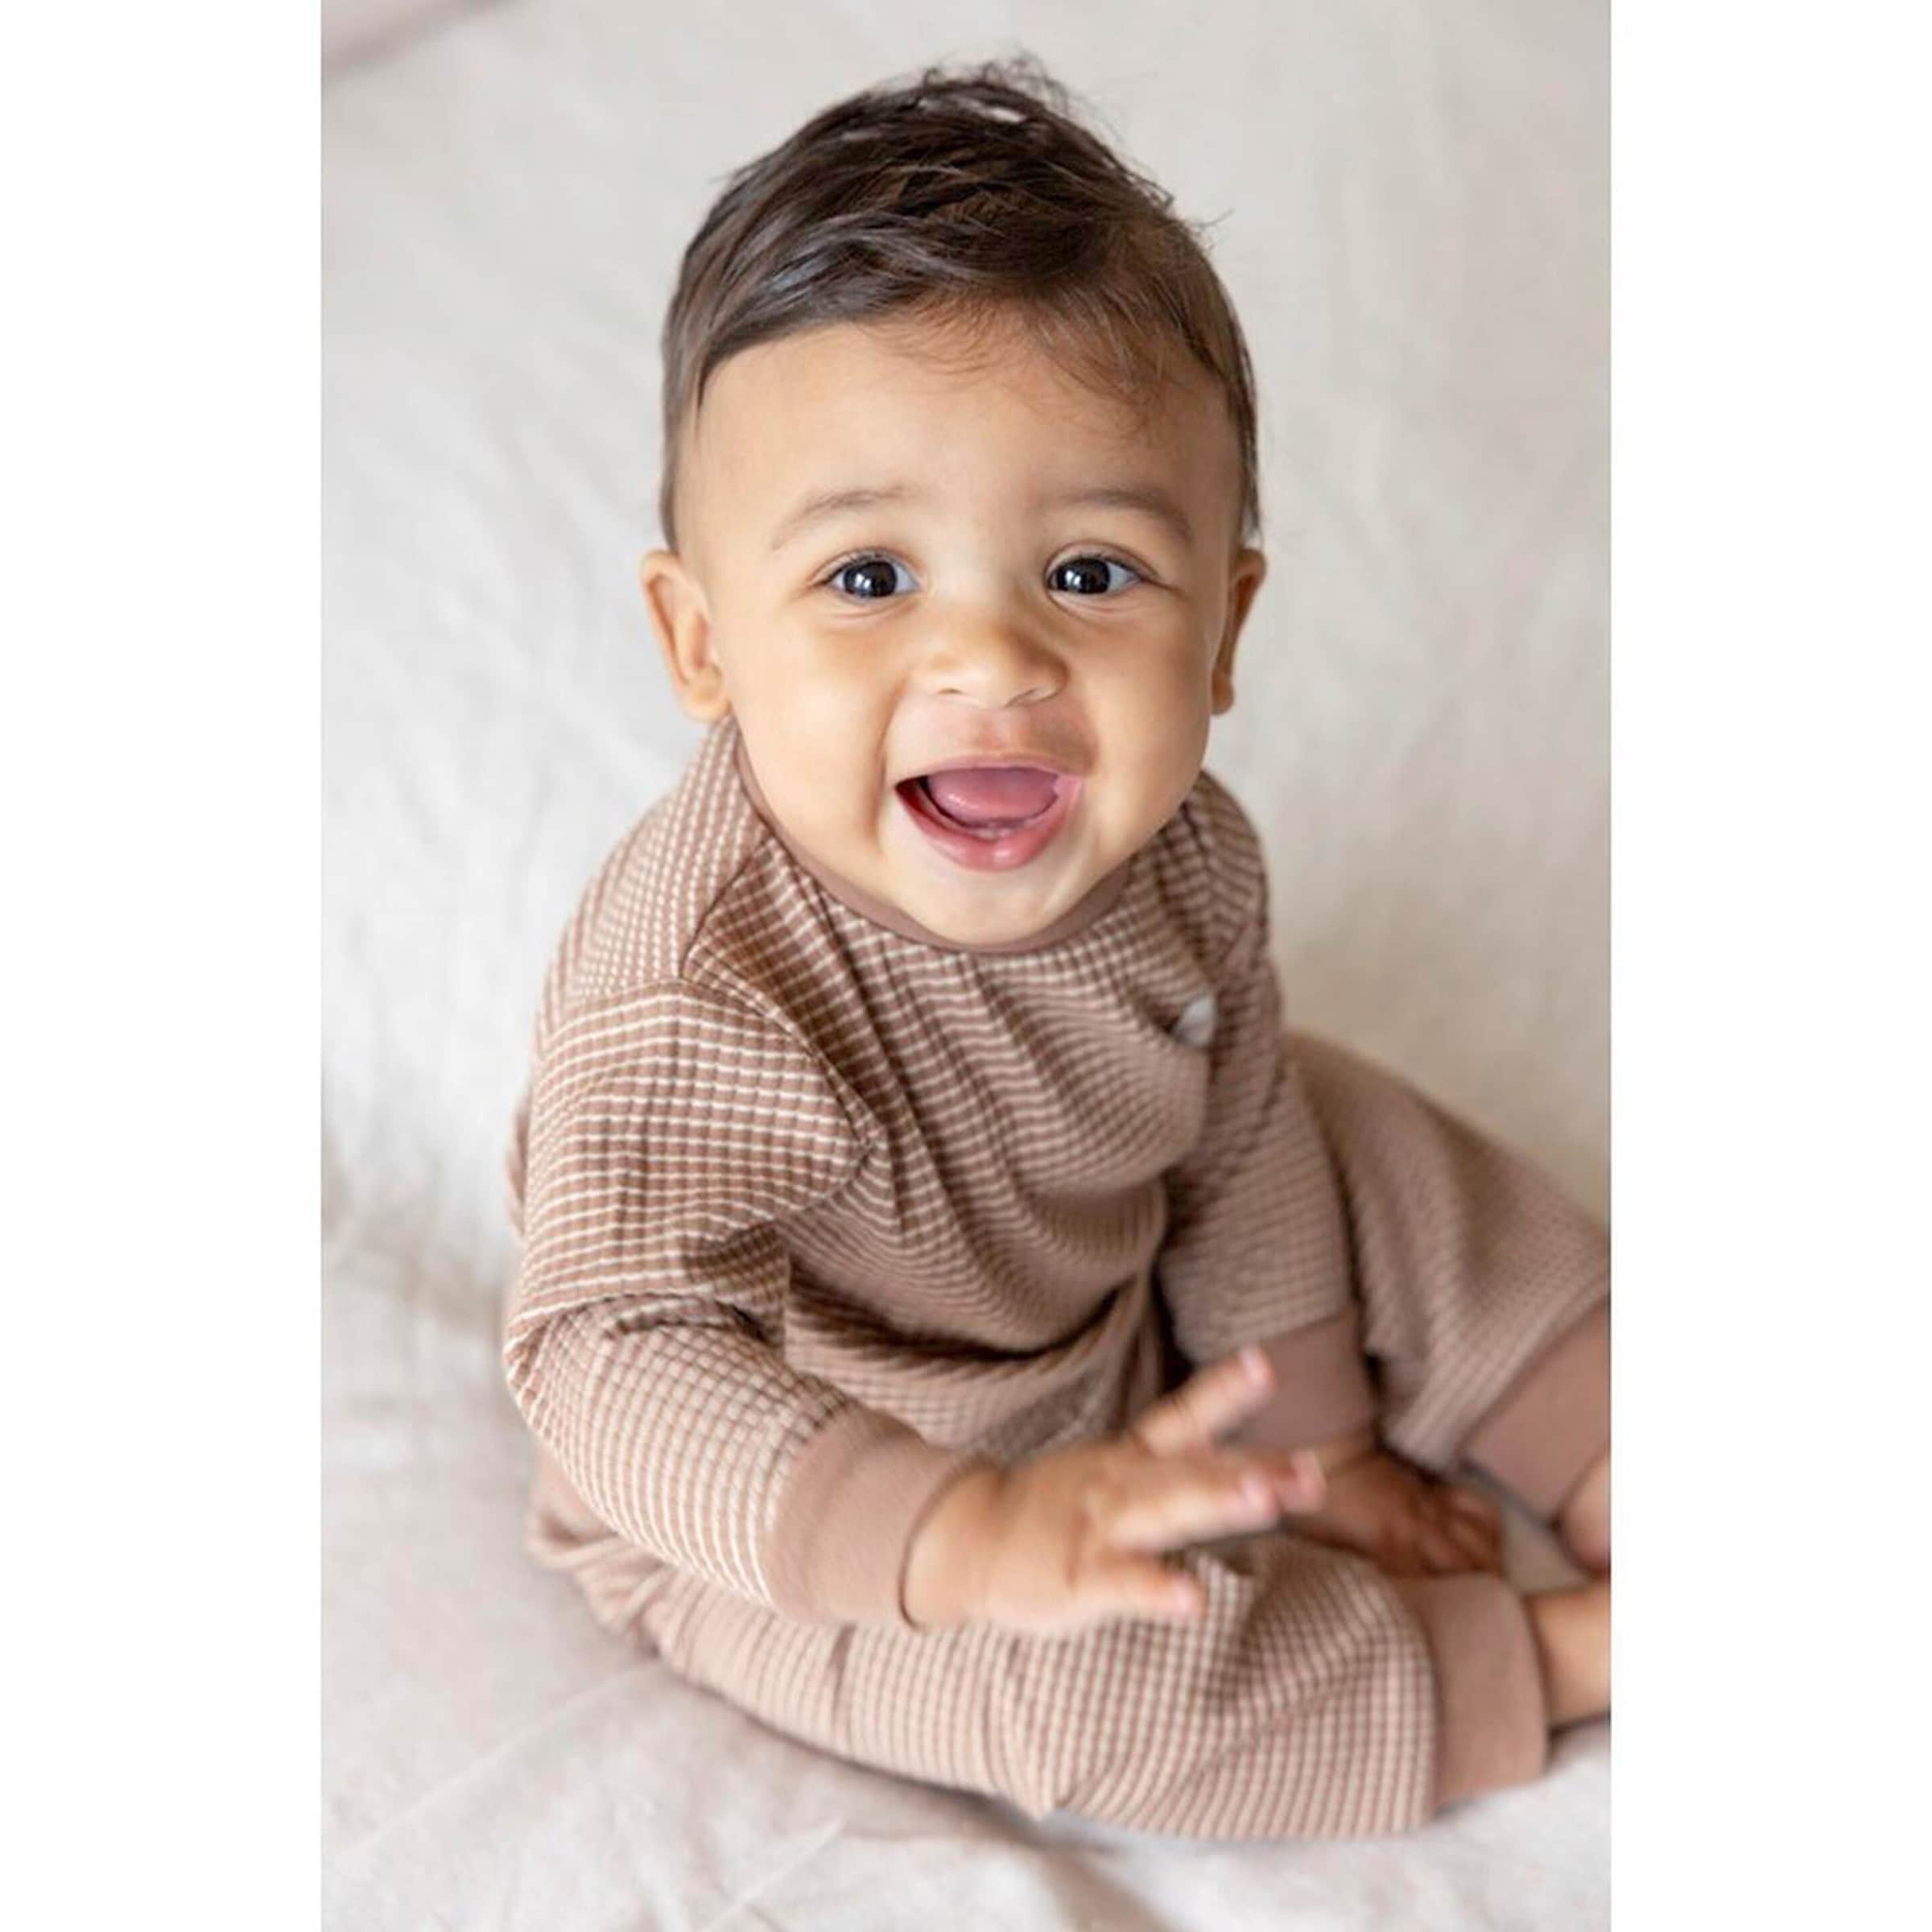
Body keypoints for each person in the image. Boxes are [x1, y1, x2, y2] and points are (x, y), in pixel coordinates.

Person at [501, 55, 1608, 1840]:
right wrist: (965, 1536)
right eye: (870, 579)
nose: (995, 664)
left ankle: (1602, 1419)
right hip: (813, 1501)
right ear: (700, 643)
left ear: (1224, 624)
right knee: (1079, 1694)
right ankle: (1557, 1657)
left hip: (1114, 1321)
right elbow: (610, 1352)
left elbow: (1236, 1155)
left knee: (1340, 1129)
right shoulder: (698, 999)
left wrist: (1315, 1449)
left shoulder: (1188, 860)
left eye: (1091, 574)